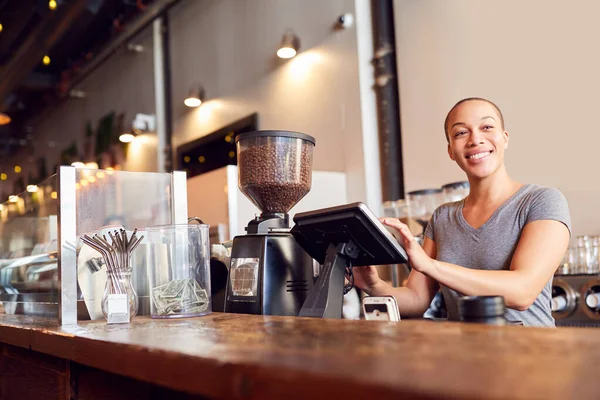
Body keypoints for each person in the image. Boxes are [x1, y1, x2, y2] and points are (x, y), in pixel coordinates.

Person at [353, 97, 571, 327]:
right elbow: (417, 299)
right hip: (463, 355)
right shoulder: (442, 217)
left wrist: (430, 265)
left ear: (505, 138)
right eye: (460, 133)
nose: (475, 139)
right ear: (450, 150)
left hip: (530, 356)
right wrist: (374, 285)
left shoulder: (542, 201)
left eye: (487, 127)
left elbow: (522, 292)